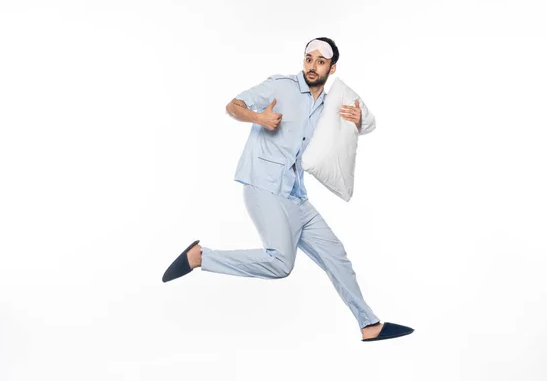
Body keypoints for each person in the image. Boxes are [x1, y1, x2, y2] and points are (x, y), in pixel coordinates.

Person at [162, 37, 414, 342]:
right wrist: (259, 117)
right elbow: (233, 105)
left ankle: (369, 325)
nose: (312, 65)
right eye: (308, 58)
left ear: (332, 68)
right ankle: (202, 257)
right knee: (280, 263)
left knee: (336, 255)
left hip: (296, 194)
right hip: (263, 186)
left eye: (320, 61)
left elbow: (369, 125)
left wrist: (359, 121)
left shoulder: (330, 104)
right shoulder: (280, 86)